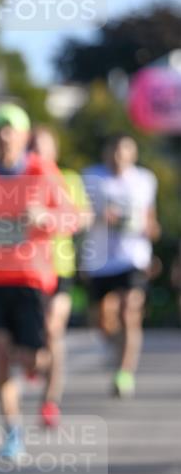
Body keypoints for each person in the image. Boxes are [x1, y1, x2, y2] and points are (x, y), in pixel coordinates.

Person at [0, 104, 80, 462]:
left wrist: (45, 216)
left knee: (33, 358)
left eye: (10, 129)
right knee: (0, 352)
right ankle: (13, 434)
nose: (3, 137)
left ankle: (45, 370)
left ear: (23, 135)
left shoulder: (41, 170)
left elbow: (72, 218)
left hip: (31, 277)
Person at [81, 133, 159, 397]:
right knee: (101, 320)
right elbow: (77, 216)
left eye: (125, 151)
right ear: (105, 152)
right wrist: (99, 217)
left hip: (133, 257)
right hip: (99, 259)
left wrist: (148, 230)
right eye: (114, 150)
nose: (119, 156)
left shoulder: (145, 180)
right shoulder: (90, 178)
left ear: (133, 154)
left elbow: (151, 221)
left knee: (129, 313)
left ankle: (124, 373)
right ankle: (116, 348)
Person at [28, 127, 93, 426]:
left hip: (59, 269)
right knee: (34, 343)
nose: (37, 154)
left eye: (43, 148)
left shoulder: (68, 179)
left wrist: (49, 217)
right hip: (25, 271)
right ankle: (35, 361)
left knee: (54, 330)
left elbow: (83, 217)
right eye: (32, 148)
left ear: (54, 151)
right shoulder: (16, 181)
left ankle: (50, 402)